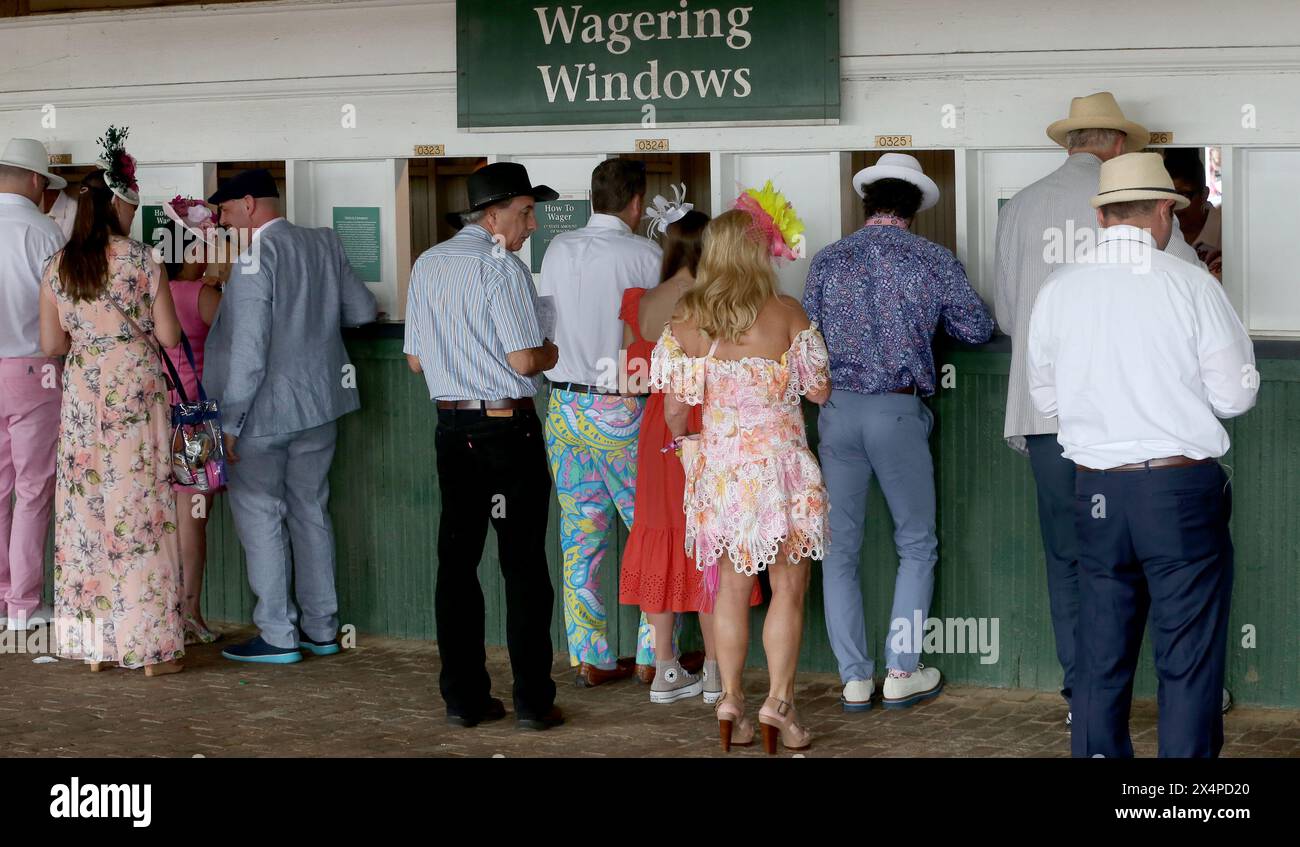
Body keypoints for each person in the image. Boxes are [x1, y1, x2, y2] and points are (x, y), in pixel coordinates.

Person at [1026, 152, 1257, 757]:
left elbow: (1044, 398)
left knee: (1100, 655)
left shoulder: (1058, 289)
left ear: (1101, 215)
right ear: (1162, 212)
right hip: (1178, 492)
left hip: (1096, 489)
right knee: (1188, 660)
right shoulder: (1189, 284)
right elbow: (1234, 395)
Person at [993, 92, 1208, 725]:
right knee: (1161, 558)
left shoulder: (1023, 206)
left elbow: (1010, 317)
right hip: (1139, 419)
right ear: (1118, 145)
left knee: (1071, 558)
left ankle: (1081, 696)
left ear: (1070, 143)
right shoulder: (1140, 209)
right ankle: (1183, 696)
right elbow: (1191, 297)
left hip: (1046, 414)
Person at [804, 154, 994, 712]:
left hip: (836, 410)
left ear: (868, 202)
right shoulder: (932, 260)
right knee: (915, 544)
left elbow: (807, 341)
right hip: (897, 411)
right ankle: (902, 671)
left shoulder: (828, 260)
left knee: (838, 547)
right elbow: (977, 329)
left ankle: (854, 678)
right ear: (914, 208)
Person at [653, 188, 831, 754]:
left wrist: (695, 440)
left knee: (729, 588)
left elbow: (676, 411)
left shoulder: (686, 321)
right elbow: (821, 390)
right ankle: (779, 704)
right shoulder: (786, 313)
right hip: (781, 470)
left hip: (722, 472)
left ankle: (731, 699)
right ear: (758, 253)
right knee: (788, 587)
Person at [404, 161, 564, 731]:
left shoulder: (428, 264)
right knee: (522, 566)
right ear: (493, 216)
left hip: (453, 431)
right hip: (507, 429)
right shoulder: (503, 267)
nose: (533, 224)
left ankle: (464, 698)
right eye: (526, 212)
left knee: (457, 564)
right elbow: (524, 360)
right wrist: (550, 350)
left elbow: (416, 359)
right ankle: (532, 701)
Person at [204, 168, 378, 664]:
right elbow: (362, 310)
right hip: (320, 406)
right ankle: (323, 629)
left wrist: (230, 421)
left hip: (262, 414)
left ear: (250, 204)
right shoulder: (323, 242)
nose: (223, 221)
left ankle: (279, 635)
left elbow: (250, 348)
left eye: (226, 211)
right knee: (310, 509)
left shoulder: (257, 255)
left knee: (262, 516)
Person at [39, 134, 186, 677]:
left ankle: (97, 645)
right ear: (118, 204)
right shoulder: (143, 260)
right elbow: (170, 336)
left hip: (82, 395)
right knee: (140, 511)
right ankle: (148, 649)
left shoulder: (59, 266)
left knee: (87, 512)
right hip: (135, 391)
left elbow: (52, 345)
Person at [618, 203, 761, 705]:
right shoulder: (718, 302)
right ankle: (719, 671)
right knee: (710, 543)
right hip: (707, 423)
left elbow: (630, 375)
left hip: (658, 423)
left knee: (658, 533)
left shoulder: (644, 300)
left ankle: (665, 668)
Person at [537, 158, 665, 687]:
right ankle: (655, 656)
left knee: (581, 534)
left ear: (592, 198)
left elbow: (543, 321)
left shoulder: (557, 249)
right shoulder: (645, 254)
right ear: (636, 203)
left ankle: (590, 656)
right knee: (649, 531)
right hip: (622, 407)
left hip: (563, 406)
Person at [0, 138, 67, 632]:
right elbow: (67, 313)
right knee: (34, 489)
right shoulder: (46, 233)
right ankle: (23, 605)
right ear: (37, 181)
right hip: (34, 371)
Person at [161, 200, 224, 644]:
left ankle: (159, 612)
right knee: (193, 520)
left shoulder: (153, 291)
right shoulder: (205, 296)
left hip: (155, 413)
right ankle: (190, 611)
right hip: (196, 419)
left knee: (157, 519)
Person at [1163, 147, 1222, 279]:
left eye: (1184, 195)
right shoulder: (1158, 231)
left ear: (1204, 195)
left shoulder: (1226, 230)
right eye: (1168, 197)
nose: (1176, 205)